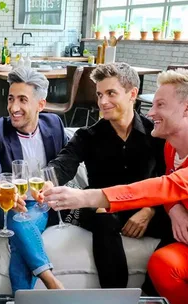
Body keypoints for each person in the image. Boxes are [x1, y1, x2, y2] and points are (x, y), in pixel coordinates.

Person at [41, 68, 188, 304]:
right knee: (103, 217)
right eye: (99, 95)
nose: (103, 101)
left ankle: (151, 296)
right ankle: (116, 298)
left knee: (177, 226)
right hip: (103, 209)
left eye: (111, 93)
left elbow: (165, 182)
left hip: (147, 207)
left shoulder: (157, 133)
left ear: (132, 94)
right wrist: (47, 179)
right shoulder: (87, 136)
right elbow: (63, 164)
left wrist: (149, 211)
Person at [0, 66, 68, 292]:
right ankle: (52, 282)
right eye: (10, 99)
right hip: (2, 207)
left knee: (21, 236)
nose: (13, 107)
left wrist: (52, 185)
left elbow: (66, 164)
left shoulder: (54, 125)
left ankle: (20, 299)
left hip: (40, 205)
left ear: (40, 105)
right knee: (20, 218)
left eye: (22, 100)